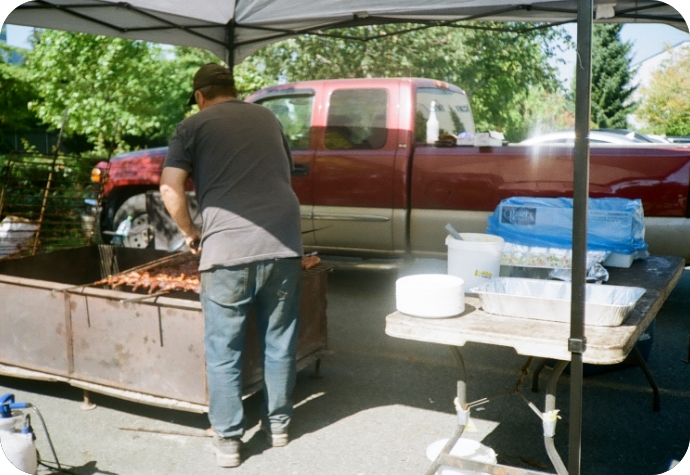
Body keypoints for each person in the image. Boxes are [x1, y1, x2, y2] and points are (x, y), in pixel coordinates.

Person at [159, 63, 304, 468]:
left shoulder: (192, 126)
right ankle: (279, 427)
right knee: (279, 340)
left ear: (200, 97)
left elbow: (169, 187)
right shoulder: (268, 117)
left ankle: (228, 441)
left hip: (227, 248)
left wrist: (191, 230)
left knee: (224, 349)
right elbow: (284, 173)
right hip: (283, 241)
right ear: (233, 89)